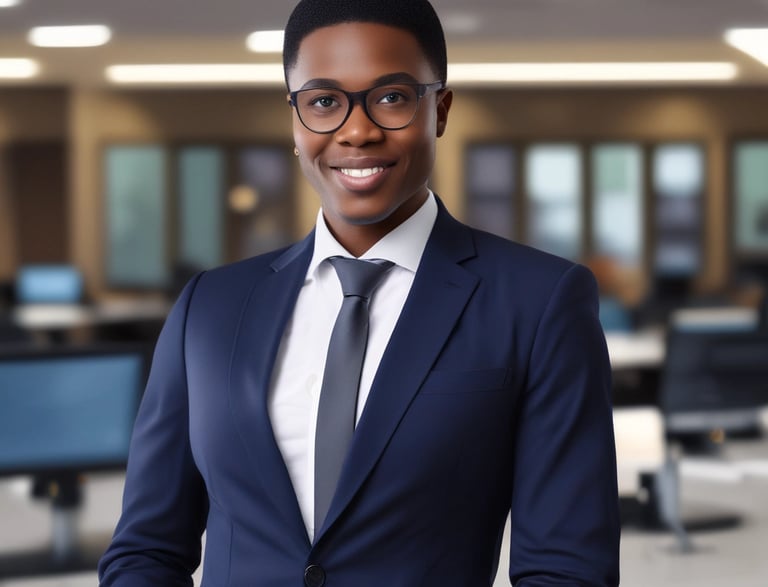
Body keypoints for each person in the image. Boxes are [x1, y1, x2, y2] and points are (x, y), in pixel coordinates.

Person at [98, 1, 620, 585]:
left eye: (392, 97)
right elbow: (145, 549)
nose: (356, 130)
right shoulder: (210, 307)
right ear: (295, 120)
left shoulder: (539, 301)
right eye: (323, 101)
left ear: (439, 110)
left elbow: (567, 568)